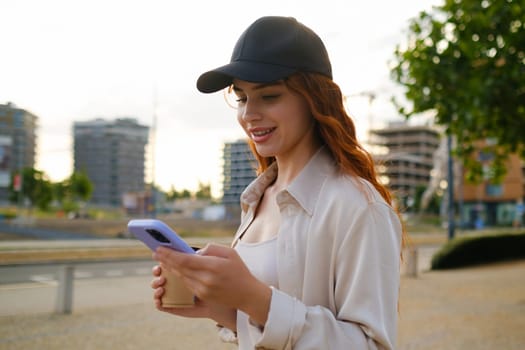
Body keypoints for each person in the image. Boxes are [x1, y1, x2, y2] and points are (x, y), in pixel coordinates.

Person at [151, 16, 404, 349]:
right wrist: (223, 307)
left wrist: (255, 299)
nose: (249, 114)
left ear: (316, 100)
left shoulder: (358, 207)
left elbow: (372, 345)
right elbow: (274, 329)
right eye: (241, 98)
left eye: (268, 96)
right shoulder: (257, 199)